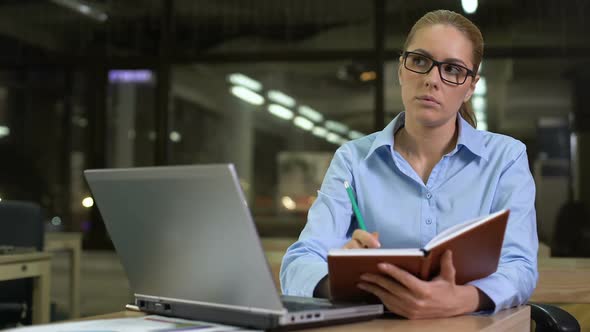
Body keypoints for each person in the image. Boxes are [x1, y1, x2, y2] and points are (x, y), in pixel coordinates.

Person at [280, 9, 538, 319]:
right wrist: (339, 277)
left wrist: (462, 299)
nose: (431, 79)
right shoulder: (352, 159)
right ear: (401, 69)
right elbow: (298, 263)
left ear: (470, 86)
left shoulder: (506, 157)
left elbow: (520, 266)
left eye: (453, 69)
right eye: (419, 61)